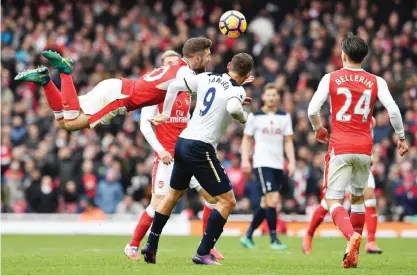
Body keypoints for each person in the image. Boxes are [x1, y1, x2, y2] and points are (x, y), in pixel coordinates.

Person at [140, 53, 254, 265]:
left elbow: (174, 86)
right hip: (200, 147)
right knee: (227, 201)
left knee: (173, 196)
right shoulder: (237, 90)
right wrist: (243, 116)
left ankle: (151, 244)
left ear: (229, 65)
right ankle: (203, 252)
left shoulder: (207, 77)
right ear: (247, 74)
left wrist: (165, 113)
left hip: (182, 142)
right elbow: (232, 108)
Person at [307, 33, 408, 268]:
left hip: (340, 145)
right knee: (358, 197)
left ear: (343, 54)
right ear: (364, 57)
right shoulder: (376, 81)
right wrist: (401, 138)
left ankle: (351, 236)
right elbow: (393, 111)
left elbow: (313, 109)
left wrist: (318, 128)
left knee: (333, 199)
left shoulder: (330, 78)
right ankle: (351, 255)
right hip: (364, 148)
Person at [124, 51, 224, 261]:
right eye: (168, 64)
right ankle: (133, 244)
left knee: (213, 197)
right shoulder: (154, 94)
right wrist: (160, 151)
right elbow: (145, 126)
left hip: (187, 154)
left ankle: (207, 246)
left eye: (175, 63)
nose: (174, 67)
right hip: (166, 157)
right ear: (162, 69)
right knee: (158, 203)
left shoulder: (186, 92)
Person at [14, 37, 212, 130]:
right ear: (196, 58)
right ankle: (65, 72)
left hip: (116, 86)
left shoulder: (176, 64)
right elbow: (180, 86)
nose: (210, 59)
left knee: (62, 122)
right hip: (119, 99)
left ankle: (45, 81)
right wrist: (166, 114)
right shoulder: (184, 72)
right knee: (72, 124)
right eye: (207, 55)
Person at [303, 117, 383, 255]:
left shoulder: (370, 119)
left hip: (360, 161)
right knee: (329, 202)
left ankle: (370, 241)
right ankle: (309, 234)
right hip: (342, 159)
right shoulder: (341, 111)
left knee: (368, 195)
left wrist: (371, 154)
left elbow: (368, 140)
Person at [240, 83, 295, 250]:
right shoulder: (254, 117)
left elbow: (288, 141)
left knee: (266, 202)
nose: (271, 98)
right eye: (268, 95)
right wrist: (245, 159)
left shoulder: (284, 117)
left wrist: (291, 161)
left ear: (278, 97)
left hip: (278, 164)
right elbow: (247, 139)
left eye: (274, 95)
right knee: (273, 199)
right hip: (262, 163)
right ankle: (274, 239)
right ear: (263, 96)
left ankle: (248, 236)